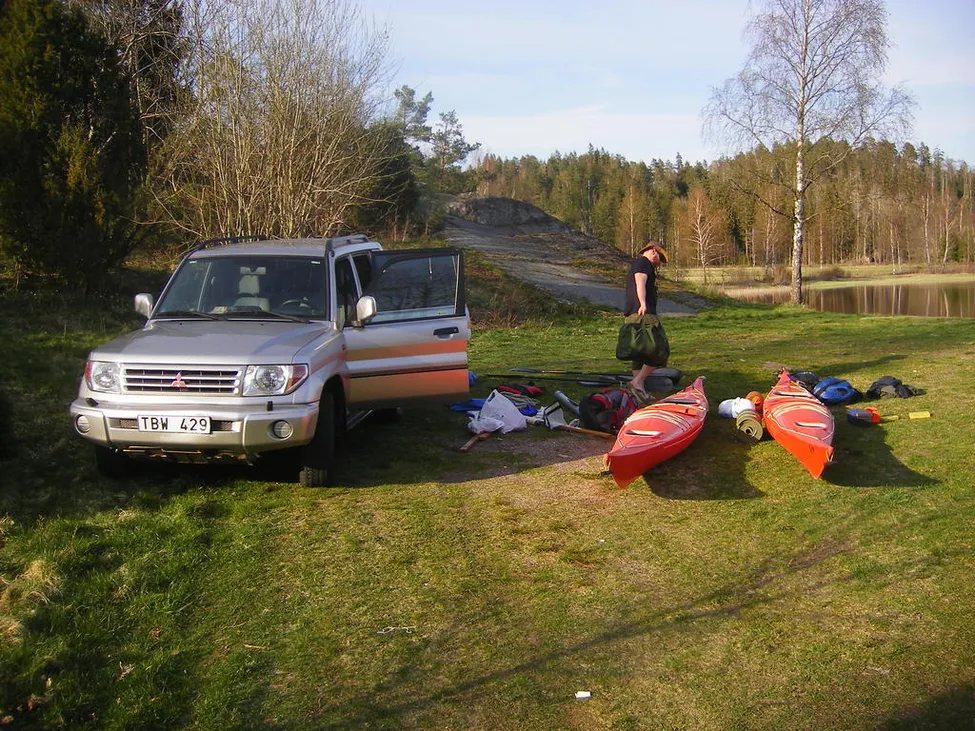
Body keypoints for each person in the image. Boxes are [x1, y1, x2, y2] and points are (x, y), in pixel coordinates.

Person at [623, 240, 669, 399]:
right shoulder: (644, 263)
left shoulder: (638, 263)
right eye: (660, 259)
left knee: (639, 352)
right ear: (654, 252)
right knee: (660, 350)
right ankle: (637, 382)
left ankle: (639, 390)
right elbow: (640, 282)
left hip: (633, 314)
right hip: (643, 314)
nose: (659, 263)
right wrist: (643, 303)